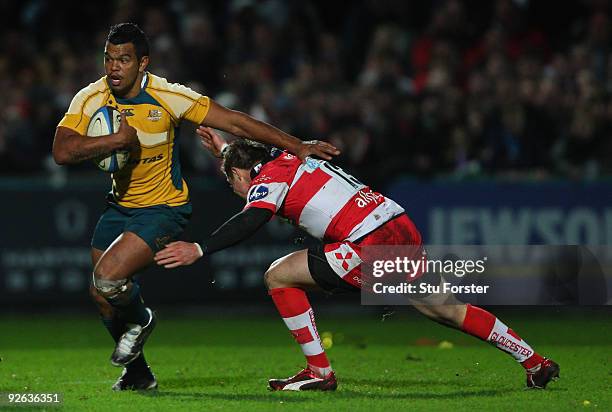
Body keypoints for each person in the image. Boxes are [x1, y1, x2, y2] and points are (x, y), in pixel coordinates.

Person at [154, 128, 560, 391]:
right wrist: (225, 150)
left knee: (278, 277)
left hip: (369, 241)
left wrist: (200, 248)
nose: (235, 189)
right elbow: (248, 161)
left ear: (242, 175)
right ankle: (535, 361)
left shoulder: (266, 181)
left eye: (232, 182)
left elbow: (252, 217)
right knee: (444, 310)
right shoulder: (287, 157)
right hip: (397, 222)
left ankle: (320, 373)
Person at [52, 23, 339, 391]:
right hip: (119, 206)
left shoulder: (167, 95)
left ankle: (143, 318)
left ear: (143, 63)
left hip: (165, 207)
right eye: (109, 59)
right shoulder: (90, 98)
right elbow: (62, 152)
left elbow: (234, 121)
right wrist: (116, 140)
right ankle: (139, 374)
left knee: (108, 279)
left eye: (123, 60)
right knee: (102, 295)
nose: (114, 68)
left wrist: (297, 145)